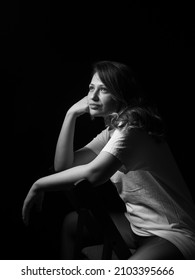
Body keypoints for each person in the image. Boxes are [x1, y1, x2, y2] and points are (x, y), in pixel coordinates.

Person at [22, 60, 195, 260]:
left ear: (121, 93)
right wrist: (71, 114)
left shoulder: (133, 128)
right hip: (137, 226)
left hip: (173, 232)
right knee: (72, 224)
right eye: (91, 88)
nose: (92, 96)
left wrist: (38, 185)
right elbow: (63, 167)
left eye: (103, 89)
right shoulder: (112, 132)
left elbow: (94, 174)